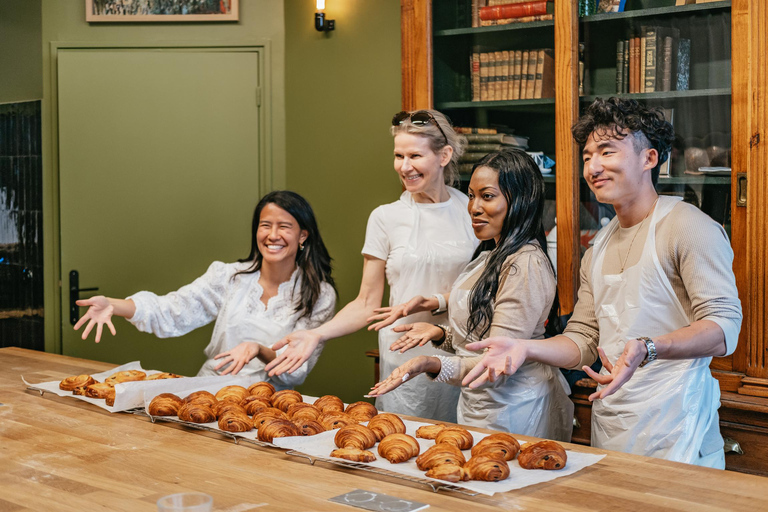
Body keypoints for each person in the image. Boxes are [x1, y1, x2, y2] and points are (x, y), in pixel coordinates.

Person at [462, 98, 742, 468]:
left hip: (678, 423)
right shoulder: (599, 245)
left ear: (649, 159)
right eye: (588, 155)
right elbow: (583, 339)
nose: (593, 166)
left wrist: (648, 347)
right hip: (611, 419)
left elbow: (724, 329)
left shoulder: (687, 226)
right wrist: (525, 347)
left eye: (607, 151)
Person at [266, 110, 478, 422]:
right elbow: (367, 302)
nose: (404, 167)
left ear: (444, 155)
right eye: (398, 155)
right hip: (404, 353)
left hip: (463, 351)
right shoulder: (385, 218)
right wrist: (316, 335)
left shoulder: (471, 211)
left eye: (415, 155)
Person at [367, 150, 573, 441]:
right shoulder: (491, 256)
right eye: (471, 195)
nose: (474, 207)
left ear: (520, 201)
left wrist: (431, 363)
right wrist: (439, 334)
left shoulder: (525, 263)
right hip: (483, 405)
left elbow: (496, 363)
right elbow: (480, 338)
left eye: (487, 196)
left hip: (516, 409)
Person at [74, 190, 337, 389]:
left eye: (284, 227)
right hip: (206, 391)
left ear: (303, 235)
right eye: (265, 225)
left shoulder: (319, 295)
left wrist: (258, 348)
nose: (272, 235)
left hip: (268, 406)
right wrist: (113, 304)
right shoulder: (228, 277)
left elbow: (296, 372)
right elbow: (173, 310)